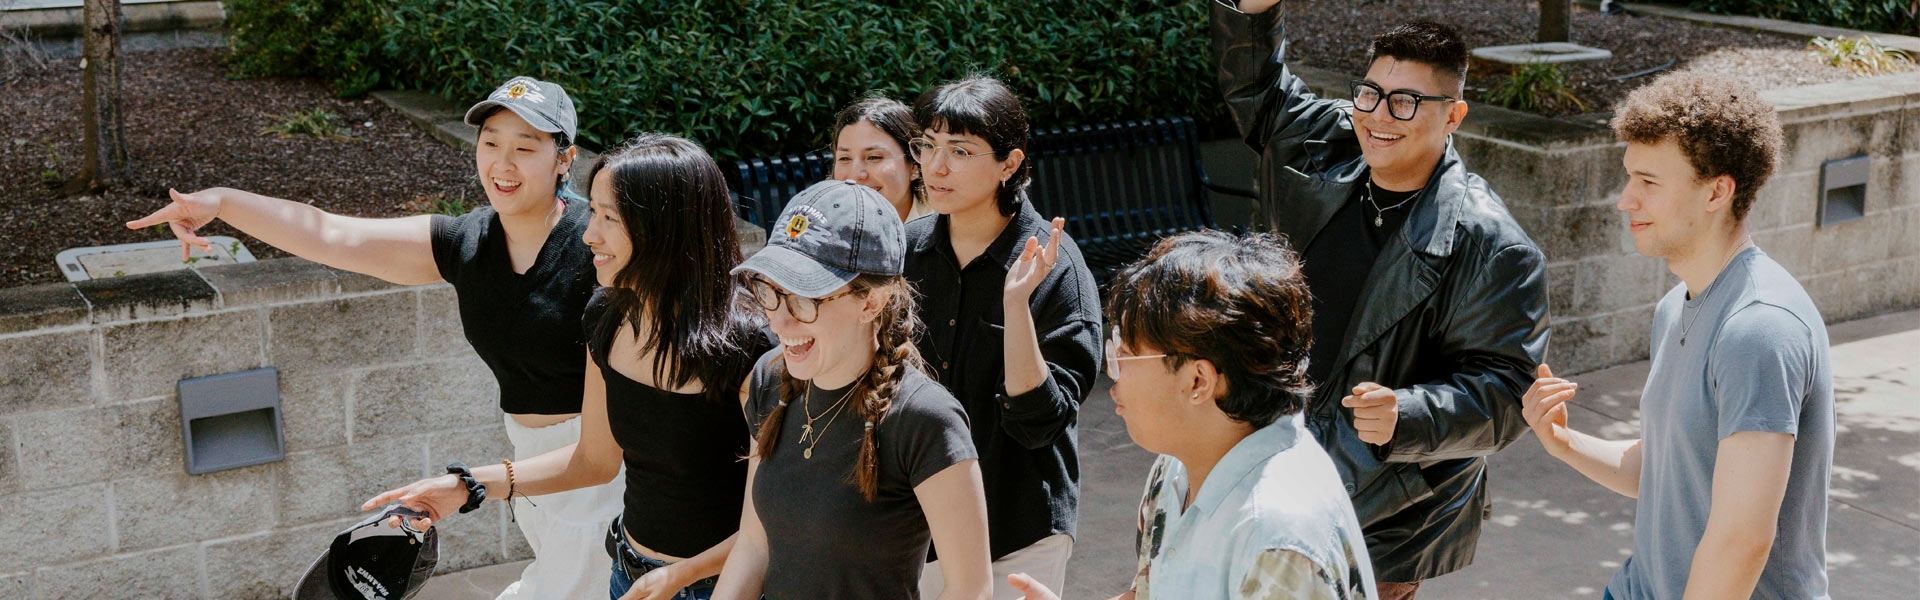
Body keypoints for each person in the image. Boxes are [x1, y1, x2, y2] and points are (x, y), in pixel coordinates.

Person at [127, 76, 622, 599]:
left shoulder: (598, 246)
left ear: (564, 160)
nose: (503, 163)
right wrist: (222, 203)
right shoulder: (467, 243)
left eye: (526, 148)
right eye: (492, 142)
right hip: (531, 468)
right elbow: (331, 233)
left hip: (601, 471)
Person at [1212, 2, 1551, 597]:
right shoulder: (1326, 145)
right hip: (1268, 458)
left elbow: (1507, 389)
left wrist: (1410, 413)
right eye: (1370, 92)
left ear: (1455, 116)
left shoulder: (1492, 246)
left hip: (1382, 513)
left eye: (1406, 102)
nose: (1378, 116)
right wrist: (1257, 10)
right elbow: (1259, 91)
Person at [363, 133, 773, 600]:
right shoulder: (607, 316)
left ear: (667, 229)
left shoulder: (753, 348)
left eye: (609, 218)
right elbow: (593, 460)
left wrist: (679, 577)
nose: (588, 234)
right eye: (592, 211)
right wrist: (466, 486)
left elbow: (770, 519)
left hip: (720, 587)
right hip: (629, 573)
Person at [1521, 72, 1832, 600]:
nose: (1625, 201)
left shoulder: (1759, 328)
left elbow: (1743, 540)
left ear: (1717, 191)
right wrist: (1565, 443)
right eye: (1628, 178)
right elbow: (1668, 472)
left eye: (1648, 182)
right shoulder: (1675, 306)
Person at [1009, 231, 1378, 600]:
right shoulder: (1178, 464)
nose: (1113, 372)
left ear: (1198, 380)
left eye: (1126, 353)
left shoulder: (1277, 541)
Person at [713, 180, 992, 600]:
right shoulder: (770, 379)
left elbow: (970, 589)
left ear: (871, 303)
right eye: (771, 292)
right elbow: (755, 543)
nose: (780, 323)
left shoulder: (926, 419)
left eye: (805, 299)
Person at [902, 75, 1103, 600]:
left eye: (960, 151)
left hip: (1014, 532)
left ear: (1009, 165)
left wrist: (1016, 305)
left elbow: (1042, 422)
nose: (935, 167)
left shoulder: (1058, 271)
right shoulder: (904, 253)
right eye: (927, 146)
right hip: (909, 525)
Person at [831, 96, 930, 222]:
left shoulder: (947, 229)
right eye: (844, 159)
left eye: (874, 157)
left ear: (914, 166)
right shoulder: (818, 230)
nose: (855, 175)